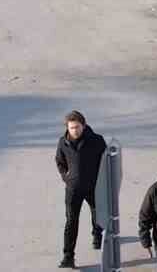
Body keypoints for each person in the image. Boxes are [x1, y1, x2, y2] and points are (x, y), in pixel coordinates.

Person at [55, 110, 106, 269]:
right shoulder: (63, 142)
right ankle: (68, 256)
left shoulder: (97, 140)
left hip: (93, 186)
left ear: (83, 125)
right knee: (71, 221)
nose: (74, 130)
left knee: (97, 213)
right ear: (67, 128)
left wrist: (102, 181)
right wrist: (66, 176)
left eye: (77, 127)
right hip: (73, 189)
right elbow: (59, 161)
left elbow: (106, 162)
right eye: (71, 128)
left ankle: (97, 235)